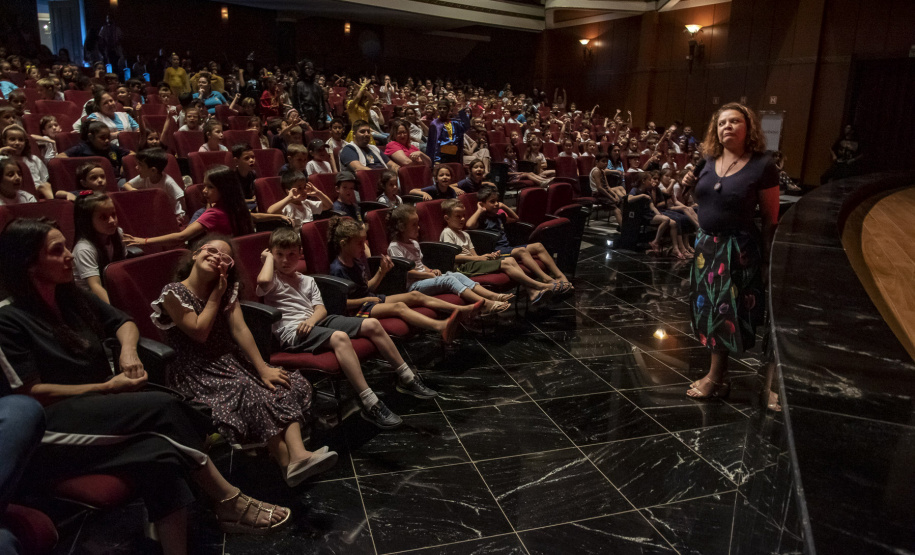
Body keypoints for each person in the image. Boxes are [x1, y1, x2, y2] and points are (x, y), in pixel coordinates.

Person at [0, 219, 292, 551]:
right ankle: (228, 499)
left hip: (98, 412)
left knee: (162, 455)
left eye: (67, 247)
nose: (70, 256)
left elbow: (123, 322)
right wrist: (109, 388)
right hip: (47, 430)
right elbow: (29, 395)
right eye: (57, 251)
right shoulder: (8, 319)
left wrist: (128, 352)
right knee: (164, 406)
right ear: (27, 263)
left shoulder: (71, 296)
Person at [152, 235, 337, 485]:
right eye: (211, 251)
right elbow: (199, 331)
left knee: (283, 380)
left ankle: (298, 454)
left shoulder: (227, 290)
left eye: (225, 257)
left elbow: (240, 330)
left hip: (229, 360)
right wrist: (216, 295)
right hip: (196, 369)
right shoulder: (174, 292)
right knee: (250, 391)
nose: (217, 257)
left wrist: (262, 368)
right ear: (195, 254)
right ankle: (288, 462)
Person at [260, 228, 438, 428]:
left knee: (372, 324)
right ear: (272, 254)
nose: (285, 260)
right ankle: (370, 403)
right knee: (340, 338)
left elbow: (321, 310)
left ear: (300, 253)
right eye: (279, 255)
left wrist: (311, 321)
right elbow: (263, 281)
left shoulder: (307, 280)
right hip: (293, 332)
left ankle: (407, 377)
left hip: (313, 323)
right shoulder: (272, 280)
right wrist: (267, 258)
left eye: (291, 254)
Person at [680, 102, 780, 400]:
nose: (727, 127)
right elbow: (694, 197)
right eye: (722, 123)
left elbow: (771, 218)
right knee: (707, 310)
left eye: (735, 121)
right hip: (705, 247)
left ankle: (716, 377)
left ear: (748, 127)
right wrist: (686, 185)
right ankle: (720, 376)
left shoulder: (763, 164)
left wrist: (766, 261)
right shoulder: (708, 160)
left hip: (738, 250)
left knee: (725, 313)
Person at [328, 217, 479, 344]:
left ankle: (461, 310)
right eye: (359, 243)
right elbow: (342, 303)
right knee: (399, 307)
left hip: (370, 300)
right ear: (343, 244)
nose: (364, 247)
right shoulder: (337, 269)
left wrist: (381, 272)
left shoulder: (356, 261)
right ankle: (440, 326)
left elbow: (367, 287)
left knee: (416, 296)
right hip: (357, 310)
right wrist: (366, 299)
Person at [386, 204, 511, 316]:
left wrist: (431, 270)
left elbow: (420, 264)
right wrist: (427, 275)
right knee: (449, 280)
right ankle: (485, 304)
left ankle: (493, 296)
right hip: (413, 286)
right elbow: (406, 272)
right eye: (414, 225)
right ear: (401, 227)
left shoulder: (414, 243)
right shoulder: (395, 247)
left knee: (456, 274)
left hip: (424, 278)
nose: (418, 228)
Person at [440, 198, 555, 304]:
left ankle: (532, 292)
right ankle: (538, 285)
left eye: (463, 215)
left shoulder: (465, 234)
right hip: (461, 267)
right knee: (505, 263)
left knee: (510, 259)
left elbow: (474, 254)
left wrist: (488, 257)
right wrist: (478, 258)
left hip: (472, 263)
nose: (463, 219)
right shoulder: (447, 233)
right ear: (446, 218)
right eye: (458, 216)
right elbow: (453, 257)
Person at [466, 186, 572, 293]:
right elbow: (469, 225)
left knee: (538, 246)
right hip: (496, 251)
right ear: (482, 204)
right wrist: (479, 210)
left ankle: (560, 276)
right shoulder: (482, 219)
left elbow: (516, 218)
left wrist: (504, 207)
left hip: (507, 248)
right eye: (492, 202)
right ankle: (546, 279)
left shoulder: (499, 216)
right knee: (522, 251)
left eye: (497, 201)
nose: (496, 204)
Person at [124, 165, 255, 247]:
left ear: (224, 189)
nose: (204, 191)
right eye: (204, 186)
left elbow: (182, 237)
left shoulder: (214, 214)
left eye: (210, 187)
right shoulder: (236, 206)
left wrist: (144, 241)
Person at [71, 192, 126, 303]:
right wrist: (120, 314)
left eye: (113, 214)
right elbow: (95, 287)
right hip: (91, 302)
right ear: (87, 221)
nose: (112, 221)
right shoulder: (84, 249)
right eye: (103, 217)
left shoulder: (118, 234)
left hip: (111, 293)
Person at [124, 148, 187, 225]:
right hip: (157, 213)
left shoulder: (168, 182)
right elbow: (126, 185)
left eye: (140, 165)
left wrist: (182, 214)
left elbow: (181, 197)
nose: (136, 167)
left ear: (153, 170)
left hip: (173, 215)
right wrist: (135, 191)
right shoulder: (144, 177)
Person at [61, 121, 131, 180]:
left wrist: (123, 163)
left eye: (108, 137)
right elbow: (60, 157)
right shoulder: (81, 148)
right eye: (102, 138)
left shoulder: (112, 147)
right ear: (91, 137)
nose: (107, 140)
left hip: (116, 180)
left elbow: (131, 153)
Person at [0, 124, 53, 200]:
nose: (17, 143)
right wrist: (1, 150)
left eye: (21, 140)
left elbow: (45, 179)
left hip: (38, 191)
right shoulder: (2, 159)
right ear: (5, 142)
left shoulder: (33, 159)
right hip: (13, 191)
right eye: (12, 139)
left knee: (45, 186)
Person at [268, 171, 332, 228]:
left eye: (304, 187)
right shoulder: (287, 206)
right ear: (288, 191)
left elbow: (329, 205)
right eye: (299, 188)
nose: (304, 191)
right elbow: (270, 212)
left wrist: (318, 193)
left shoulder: (307, 203)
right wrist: (289, 198)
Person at [426, 99, 470, 164]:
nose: (442, 110)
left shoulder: (454, 122)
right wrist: (436, 160)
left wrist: (461, 112)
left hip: (455, 154)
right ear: (437, 109)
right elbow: (433, 144)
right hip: (441, 155)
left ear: (449, 109)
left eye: (444, 108)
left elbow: (466, 126)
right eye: (440, 108)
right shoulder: (434, 124)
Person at [591, 153, 626, 225]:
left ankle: (623, 224)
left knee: (621, 200)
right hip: (598, 194)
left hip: (604, 192)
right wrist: (611, 198)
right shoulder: (596, 171)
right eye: (603, 161)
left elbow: (607, 186)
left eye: (606, 161)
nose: (605, 163)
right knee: (615, 208)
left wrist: (614, 195)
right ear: (597, 162)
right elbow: (600, 188)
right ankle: (623, 229)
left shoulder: (603, 171)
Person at [293, 60, 326, 129]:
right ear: (303, 69)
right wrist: (302, 117)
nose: (310, 70)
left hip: (315, 115)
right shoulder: (299, 85)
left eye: (311, 69)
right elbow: (297, 103)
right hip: (304, 113)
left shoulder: (317, 86)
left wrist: (321, 118)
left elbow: (321, 103)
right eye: (307, 68)